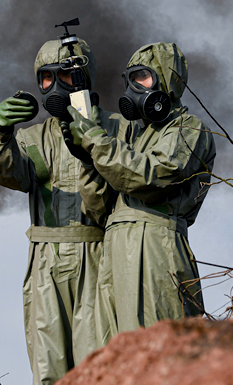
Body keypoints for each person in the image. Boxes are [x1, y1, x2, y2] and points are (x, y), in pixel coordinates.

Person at [0, 38, 133, 385]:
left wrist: (90, 142)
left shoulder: (117, 128)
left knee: (97, 362)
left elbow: (124, 186)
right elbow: (8, 173)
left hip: (97, 257)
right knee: (49, 364)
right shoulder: (34, 137)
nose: (54, 86)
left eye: (64, 75)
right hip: (46, 260)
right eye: (46, 79)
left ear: (82, 76)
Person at [65, 42, 216, 346]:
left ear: (166, 79)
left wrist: (96, 141)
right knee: (113, 352)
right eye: (129, 80)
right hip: (115, 249)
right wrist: (88, 161)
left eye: (142, 77)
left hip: (157, 247)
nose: (133, 87)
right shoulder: (132, 137)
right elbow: (99, 208)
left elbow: (151, 177)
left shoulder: (189, 129)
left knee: (159, 347)